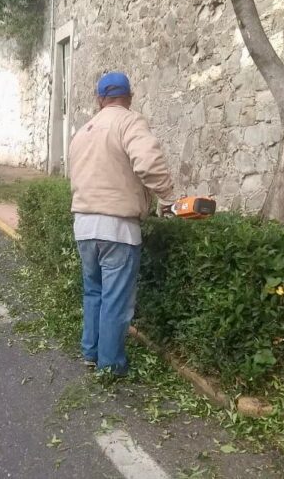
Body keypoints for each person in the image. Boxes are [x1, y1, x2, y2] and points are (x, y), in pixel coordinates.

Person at [69, 72, 176, 377]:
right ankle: (111, 365)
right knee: (116, 301)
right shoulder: (129, 122)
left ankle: (90, 353)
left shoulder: (83, 131)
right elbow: (148, 162)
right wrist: (166, 196)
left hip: (84, 226)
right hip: (117, 229)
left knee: (94, 293)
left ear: (99, 99)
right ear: (129, 97)